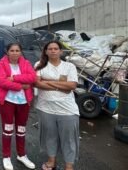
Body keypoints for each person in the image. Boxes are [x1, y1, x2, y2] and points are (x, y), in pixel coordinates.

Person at [34, 40, 79, 170]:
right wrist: (61, 86)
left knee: (69, 139)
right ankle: (51, 161)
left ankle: (69, 166)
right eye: (50, 48)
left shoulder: (69, 66)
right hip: (45, 108)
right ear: (46, 51)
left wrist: (47, 81)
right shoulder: (39, 65)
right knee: (50, 136)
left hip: (67, 109)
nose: (53, 50)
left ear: (61, 51)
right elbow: (37, 84)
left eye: (55, 48)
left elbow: (72, 86)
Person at [0, 42, 37, 170]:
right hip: (7, 101)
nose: (15, 53)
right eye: (12, 50)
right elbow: (2, 82)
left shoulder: (26, 63)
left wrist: (13, 78)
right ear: (7, 52)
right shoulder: (1, 64)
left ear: (20, 52)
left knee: (21, 130)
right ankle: (6, 156)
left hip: (24, 102)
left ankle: (21, 154)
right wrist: (21, 86)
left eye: (17, 50)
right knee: (7, 129)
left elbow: (32, 78)